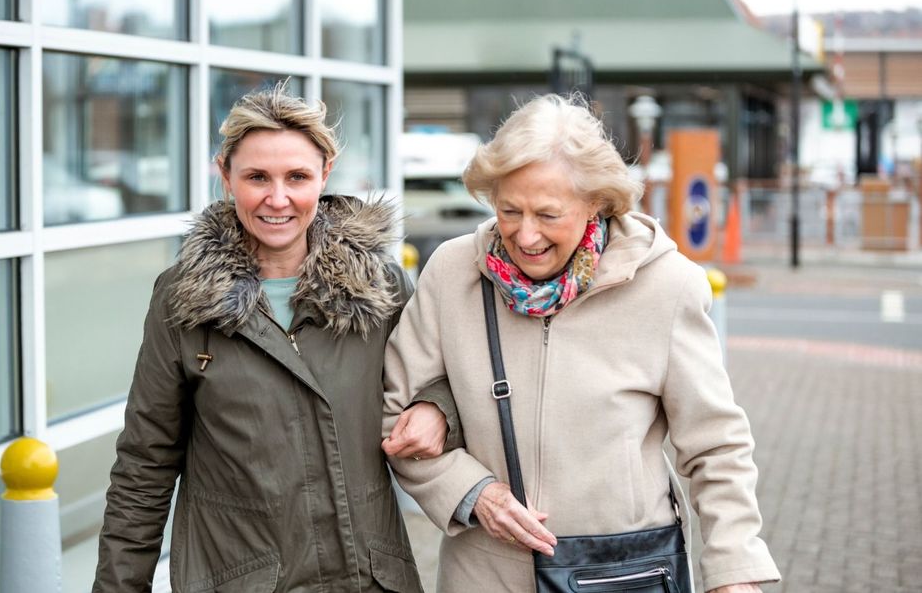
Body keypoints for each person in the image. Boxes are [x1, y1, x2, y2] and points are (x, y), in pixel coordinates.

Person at [382, 93, 781, 593]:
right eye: (509, 210)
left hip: (623, 571)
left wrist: (733, 569)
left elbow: (715, 445)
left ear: (597, 201)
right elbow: (394, 415)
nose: (525, 236)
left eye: (548, 215)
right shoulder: (450, 272)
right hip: (483, 575)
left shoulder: (669, 287)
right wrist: (472, 493)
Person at [94, 84, 450, 592]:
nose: (277, 199)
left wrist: (438, 409)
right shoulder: (183, 300)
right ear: (226, 175)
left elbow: (444, 377)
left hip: (369, 579)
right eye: (257, 177)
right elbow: (144, 464)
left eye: (297, 177)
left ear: (325, 174)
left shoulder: (381, 287)